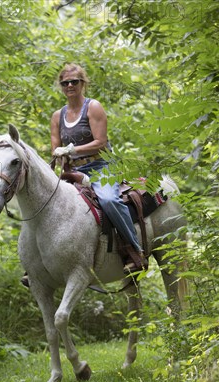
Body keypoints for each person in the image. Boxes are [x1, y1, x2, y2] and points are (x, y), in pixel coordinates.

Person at [51, 63, 146, 274]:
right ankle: (40, 262)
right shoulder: (58, 116)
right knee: (46, 200)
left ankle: (134, 250)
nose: (69, 86)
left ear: (82, 83)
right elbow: (55, 147)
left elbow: (100, 142)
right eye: (65, 82)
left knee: (109, 200)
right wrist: (60, 158)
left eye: (74, 81)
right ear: (61, 86)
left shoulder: (93, 107)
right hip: (74, 170)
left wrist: (70, 150)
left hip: (101, 166)